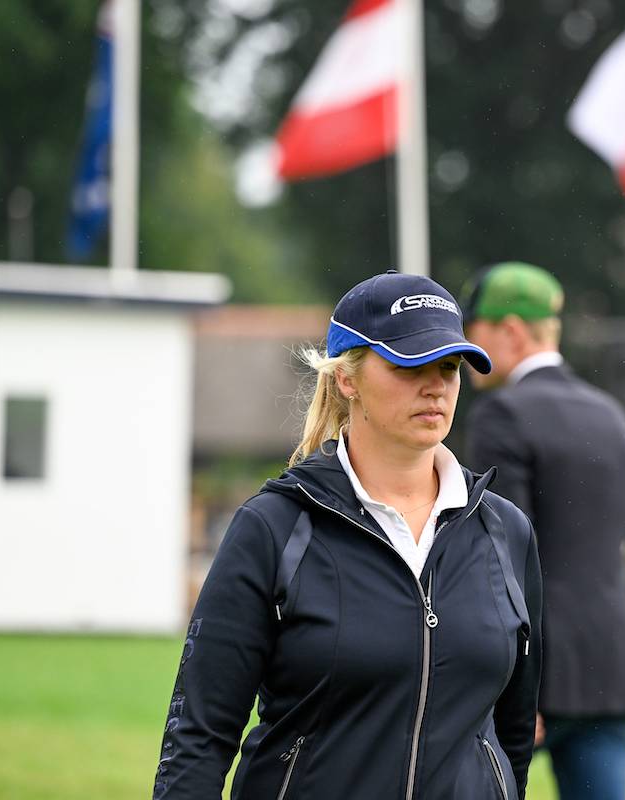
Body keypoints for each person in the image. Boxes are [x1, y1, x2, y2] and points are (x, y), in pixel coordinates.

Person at [152, 270, 542, 800]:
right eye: (410, 364)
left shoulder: (506, 531)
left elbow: (511, 738)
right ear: (346, 379)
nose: (435, 385)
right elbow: (198, 736)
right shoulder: (274, 526)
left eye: (449, 367)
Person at [461, 262, 625, 800]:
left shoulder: (503, 414)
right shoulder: (610, 414)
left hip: (540, 672)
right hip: (611, 664)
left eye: (473, 333)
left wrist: (519, 681)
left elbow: (503, 557)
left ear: (511, 331)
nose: (466, 353)